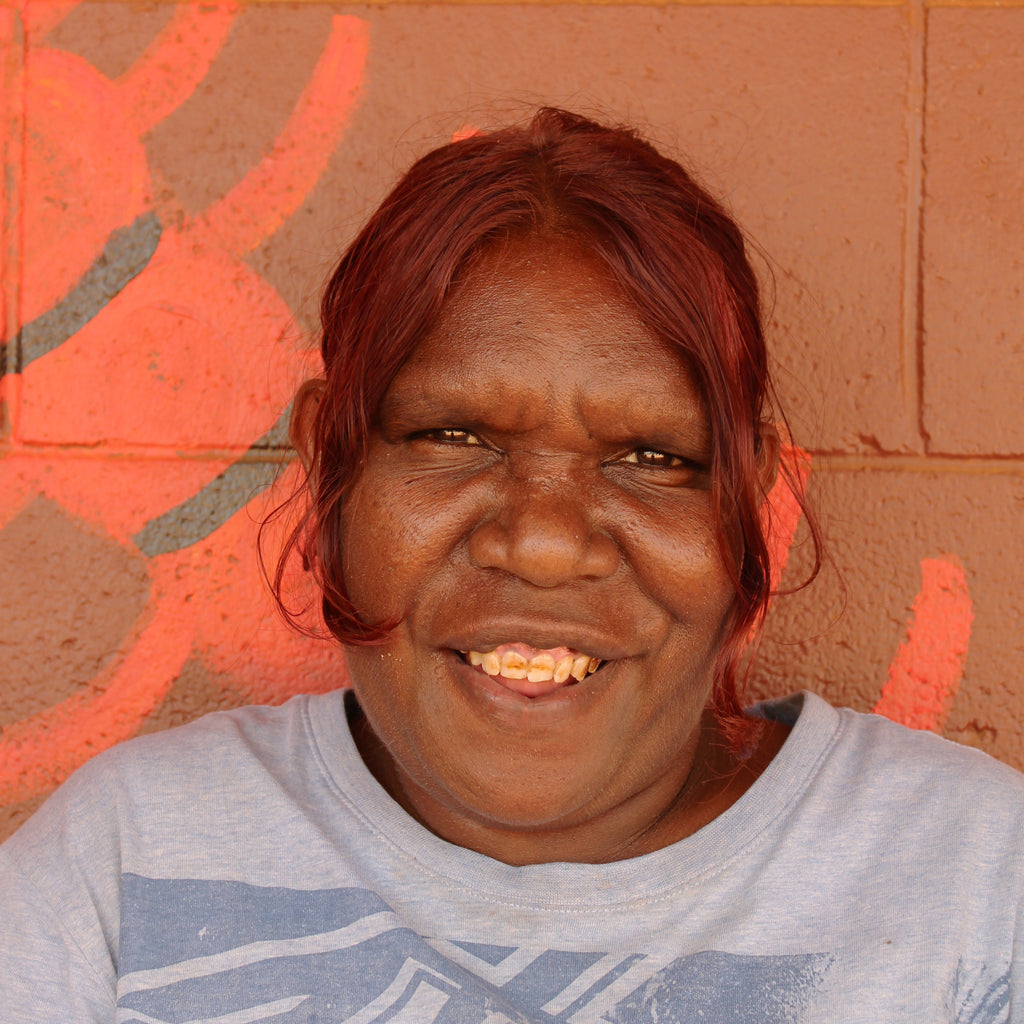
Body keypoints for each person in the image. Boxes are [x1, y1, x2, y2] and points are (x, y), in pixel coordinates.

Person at [1, 108, 1021, 1023]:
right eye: (453, 436)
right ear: (330, 471)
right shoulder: (125, 868)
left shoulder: (974, 888)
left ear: (744, 500)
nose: (541, 540)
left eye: (651, 458)